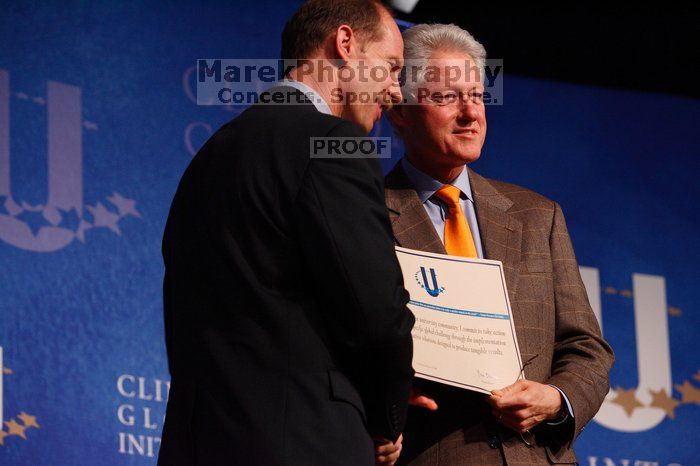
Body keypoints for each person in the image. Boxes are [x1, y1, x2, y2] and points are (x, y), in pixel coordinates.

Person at [159, 1, 415, 464]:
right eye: (392, 67)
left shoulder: (206, 161)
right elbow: (377, 316)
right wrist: (386, 419)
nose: (395, 92)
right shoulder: (334, 145)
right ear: (345, 44)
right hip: (301, 442)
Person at [385, 24, 614, 465]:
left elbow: (587, 348)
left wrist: (555, 397)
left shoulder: (537, 215)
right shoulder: (364, 216)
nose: (471, 113)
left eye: (477, 95)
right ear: (400, 110)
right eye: (448, 97)